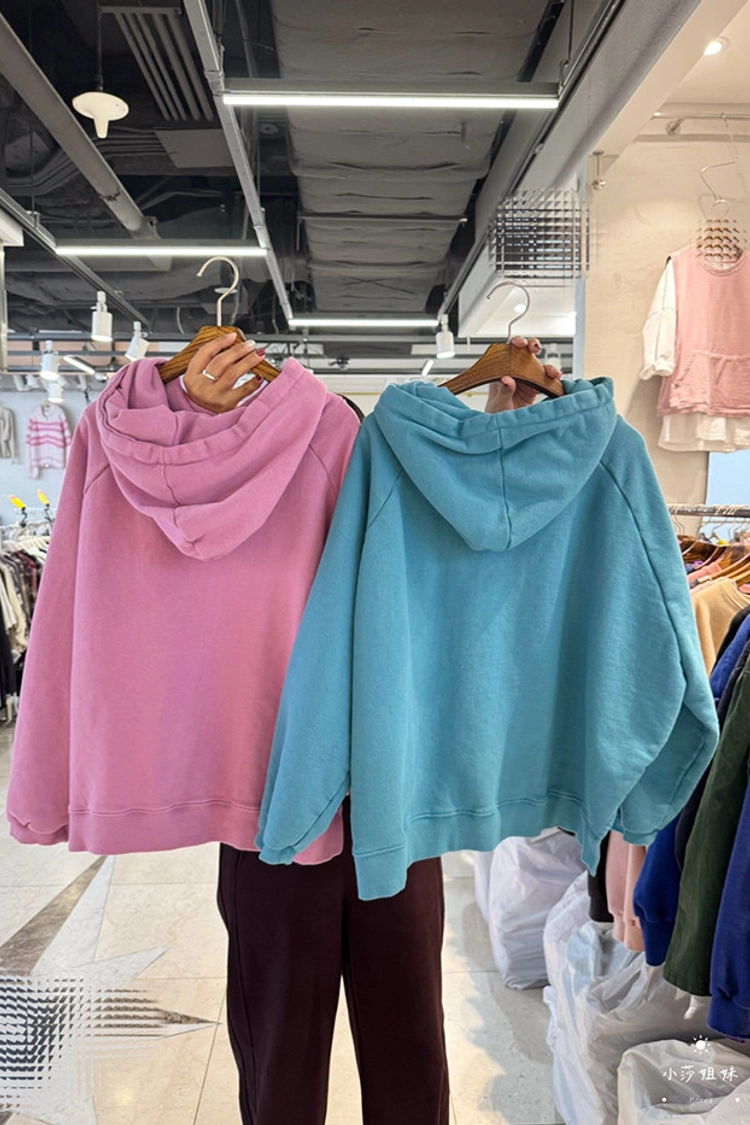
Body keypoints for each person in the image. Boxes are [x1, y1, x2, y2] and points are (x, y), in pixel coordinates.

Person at [179, 332, 562, 1125]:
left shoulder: (407, 485)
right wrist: (194, 432)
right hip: (276, 796)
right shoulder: (247, 489)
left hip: (390, 795)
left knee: (407, 1046)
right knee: (283, 1053)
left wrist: (496, 437)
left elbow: (476, 562)